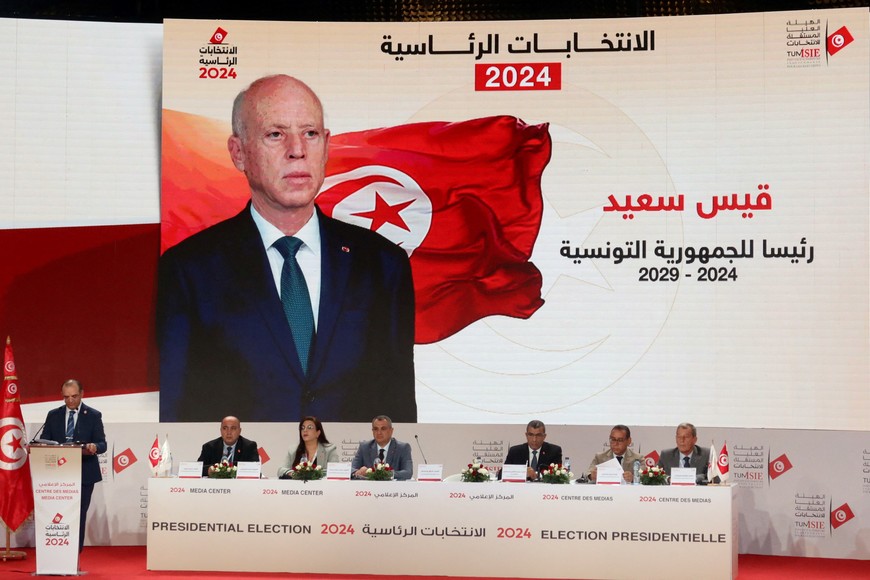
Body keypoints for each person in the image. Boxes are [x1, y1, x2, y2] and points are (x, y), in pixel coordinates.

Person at [158, 74, 416, 423]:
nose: (297, 150)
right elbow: (176, 414)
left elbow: (398, 411)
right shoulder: (188, 270)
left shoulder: (383, 265)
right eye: (275, 134)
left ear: (326, 145)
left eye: (310, 133)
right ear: (238, 153)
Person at [40, 379, 107, 552]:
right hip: (57, 475)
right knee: (57, 514)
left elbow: (102, 444)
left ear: (82, 394)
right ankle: (57, 550)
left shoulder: (93, 415)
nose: (70, 400)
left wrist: (94, 446)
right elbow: (44, 440)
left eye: (74, 396)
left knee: (79, 514)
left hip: (84, 474)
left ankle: (75, 553)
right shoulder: (53, 415)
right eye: (66, 397)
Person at [351, 415, 413, 480]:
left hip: (393, 486)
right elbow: (351, 469)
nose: (379, 432)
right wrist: (358, 472)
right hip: (369, 486)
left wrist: (383, 474)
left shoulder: (403, 448)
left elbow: (408, 473)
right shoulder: (364, 447)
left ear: (391, 431)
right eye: (376, 429)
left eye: (383, 429)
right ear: (372, 431)